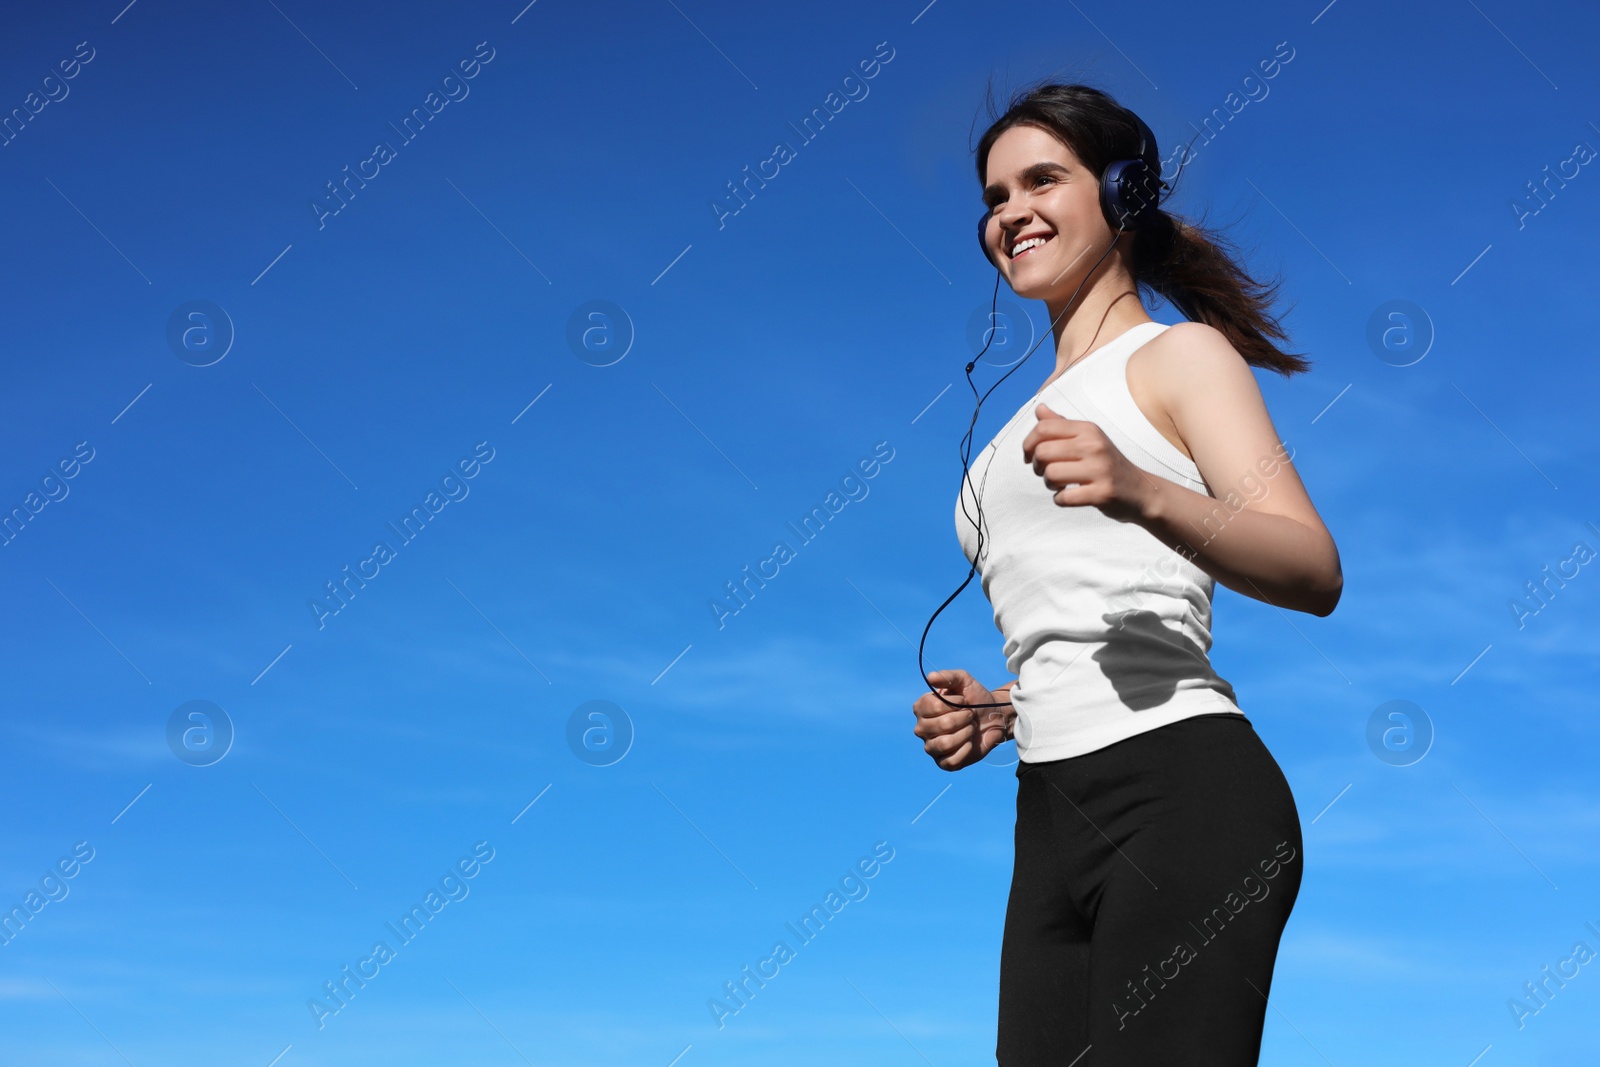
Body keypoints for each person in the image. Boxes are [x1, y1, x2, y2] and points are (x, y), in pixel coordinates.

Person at [910, 83, 1343, 1066]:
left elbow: (1312, 566)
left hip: (1183, 793)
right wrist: (1007, 707)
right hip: (1047, 820)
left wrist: (1142, 488)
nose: (1009, 212)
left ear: (1120, 193)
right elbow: (1098, 613)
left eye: (1041, 180)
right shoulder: (998, 444)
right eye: (993, 196)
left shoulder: (1178, 358)